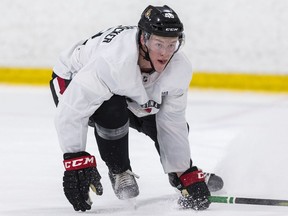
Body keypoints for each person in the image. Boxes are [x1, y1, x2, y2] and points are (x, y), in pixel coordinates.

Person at [50, 5, 223, 212]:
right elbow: (72, 110)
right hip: (71, 78)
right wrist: (76, 160)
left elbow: (171, 122)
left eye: (172, 44)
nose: (165, 53)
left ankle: (177, 175)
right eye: (159, 44)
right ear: (144, 39)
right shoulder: (113, 61)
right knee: (112, 110)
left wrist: (183, 170)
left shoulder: (179, 67)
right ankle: (120, 170)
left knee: (163, 120)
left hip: (124, 85)